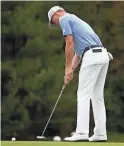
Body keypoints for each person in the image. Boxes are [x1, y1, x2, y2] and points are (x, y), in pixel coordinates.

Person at [48, 6, 113, 142]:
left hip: (92, 56)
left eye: (53, 21)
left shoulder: (65, 18)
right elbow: (79, 53)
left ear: (56, 14)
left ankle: (82, 133)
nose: (56, 24)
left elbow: (69, 43)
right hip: (102, 55)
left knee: (83, 94)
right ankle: (100, 134)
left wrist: (66, 68)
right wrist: (70, 71)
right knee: (97, 96)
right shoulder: (77, 21)